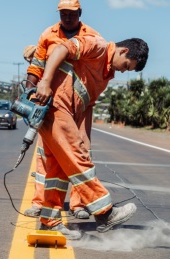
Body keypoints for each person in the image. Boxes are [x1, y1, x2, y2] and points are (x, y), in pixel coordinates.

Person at [34, 36, 149, 239]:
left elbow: (86, 106)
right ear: (123, 51)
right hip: (55, 106)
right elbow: (62, 49)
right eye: (126, 66)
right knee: (78, 160)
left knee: (58, 170)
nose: (123, 71)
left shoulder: (106, 76)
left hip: (66, 114)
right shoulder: (98, 47)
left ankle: (50, 221)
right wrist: (44, 82)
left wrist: (85, 136)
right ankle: (105, 213)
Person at [24, 0, 100, 219]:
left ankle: (79, 204)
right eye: (63, 13)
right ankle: (40, 202)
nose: (67, 17)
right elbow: (36, 66)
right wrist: (30, 93)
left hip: (82, 106)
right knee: (46, 154)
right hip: (52, 104)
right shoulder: (48, 34)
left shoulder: (90, 36)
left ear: (80, 13)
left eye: (72, 14)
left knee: (81, 151)